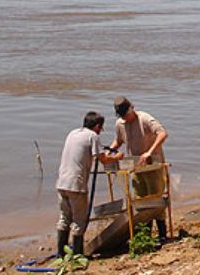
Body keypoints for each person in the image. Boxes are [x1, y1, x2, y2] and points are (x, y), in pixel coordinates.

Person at [55, 111, 123, 257]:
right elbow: (104, 159)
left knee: (64, 218)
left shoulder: (72, 133)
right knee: (80, 220)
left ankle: (61, 253)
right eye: (101, 128)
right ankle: (78, 254)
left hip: (62, 182)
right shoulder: (93, 136)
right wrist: (117, 156)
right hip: (76, 184)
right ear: (97, 126)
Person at [109, 96, 169, 241]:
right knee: (140, 199)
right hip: (135, 166)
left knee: (156, 198)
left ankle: (162, 234)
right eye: (123, 117)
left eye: (127, 115)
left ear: (132, 109)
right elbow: (119, 140)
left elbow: (162, 133)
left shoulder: (145, 119)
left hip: (153, 164)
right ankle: (145, 235)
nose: (126, 119)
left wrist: (149, 151)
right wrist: (110, 151)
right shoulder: (120, 124)